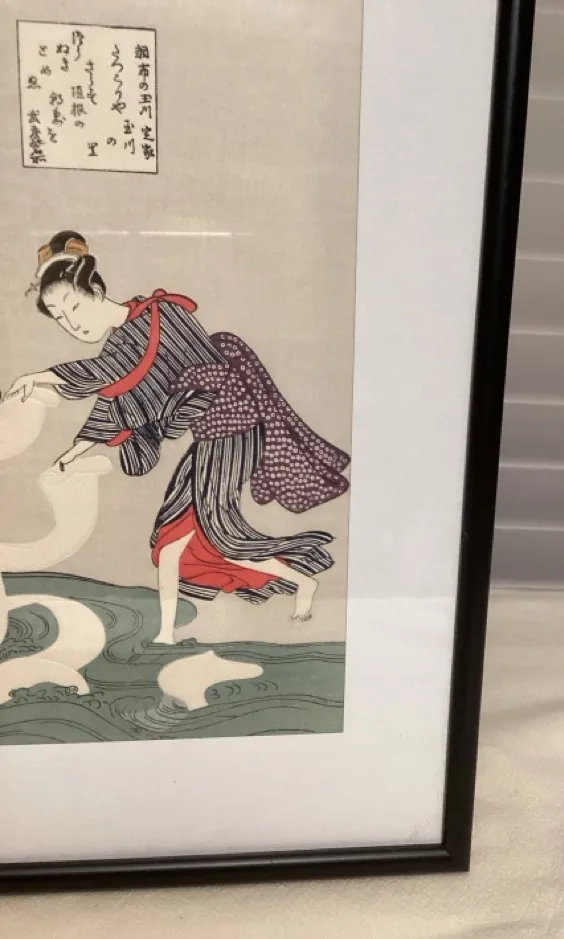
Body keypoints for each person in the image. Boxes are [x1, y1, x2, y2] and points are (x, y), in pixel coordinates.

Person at [7, 231, 350, 642]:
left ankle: (303, 579)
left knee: (220, 535)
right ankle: (168, 635)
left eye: (74, 306)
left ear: (96, 291)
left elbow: (112, 374)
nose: (72, 323)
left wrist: (43, 375)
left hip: (235, 429)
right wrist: (75, 452)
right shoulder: (123, 344)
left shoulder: (161, 314)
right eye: (59, 317)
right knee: (171, 545)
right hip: (209, 440)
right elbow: (116, 397)